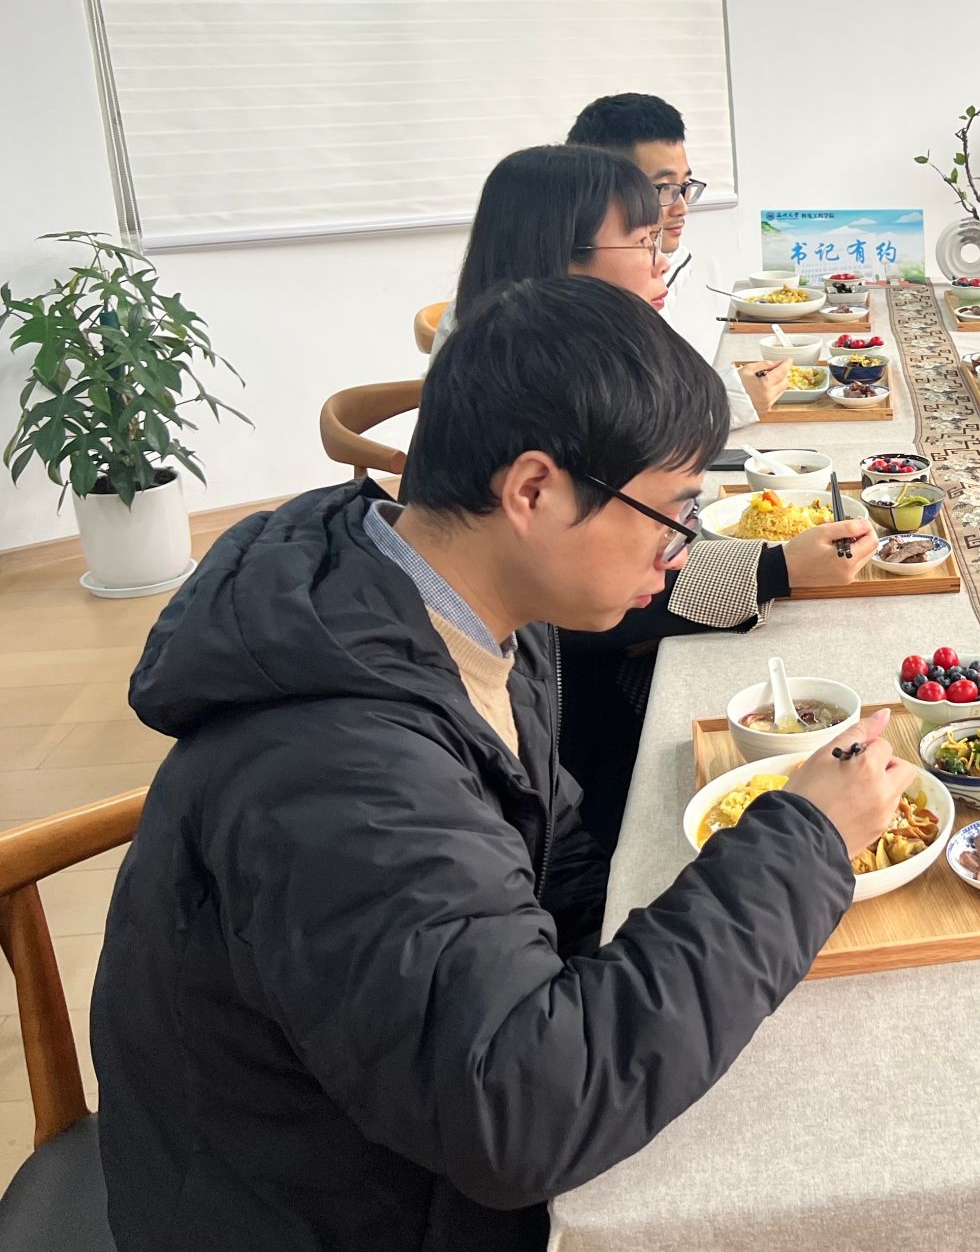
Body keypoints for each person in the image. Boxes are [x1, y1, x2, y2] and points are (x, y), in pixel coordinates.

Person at [95, 277, 912, 1250]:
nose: (680, 553)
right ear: (531, 491)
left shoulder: (451, 607)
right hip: (323, 1208)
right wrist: (799, 845)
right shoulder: (343, 770)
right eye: (673, 514)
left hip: (387, 1123)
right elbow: (525, 1116)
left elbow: (547, 860)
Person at [434, 144, 875, 844]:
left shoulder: (530, 362)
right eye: (643, 240)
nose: (664, 255)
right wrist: (773, 570)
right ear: (560, 256)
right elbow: (576, 605)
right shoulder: (535, 398)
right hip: (579, 734)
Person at [567, 92, 794, 424]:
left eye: (685, 185)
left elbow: (659, 390)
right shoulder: (567, 319)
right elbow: (633, 427)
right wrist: (728, 401)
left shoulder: (663, 262)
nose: (683, 206)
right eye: (663, 189)